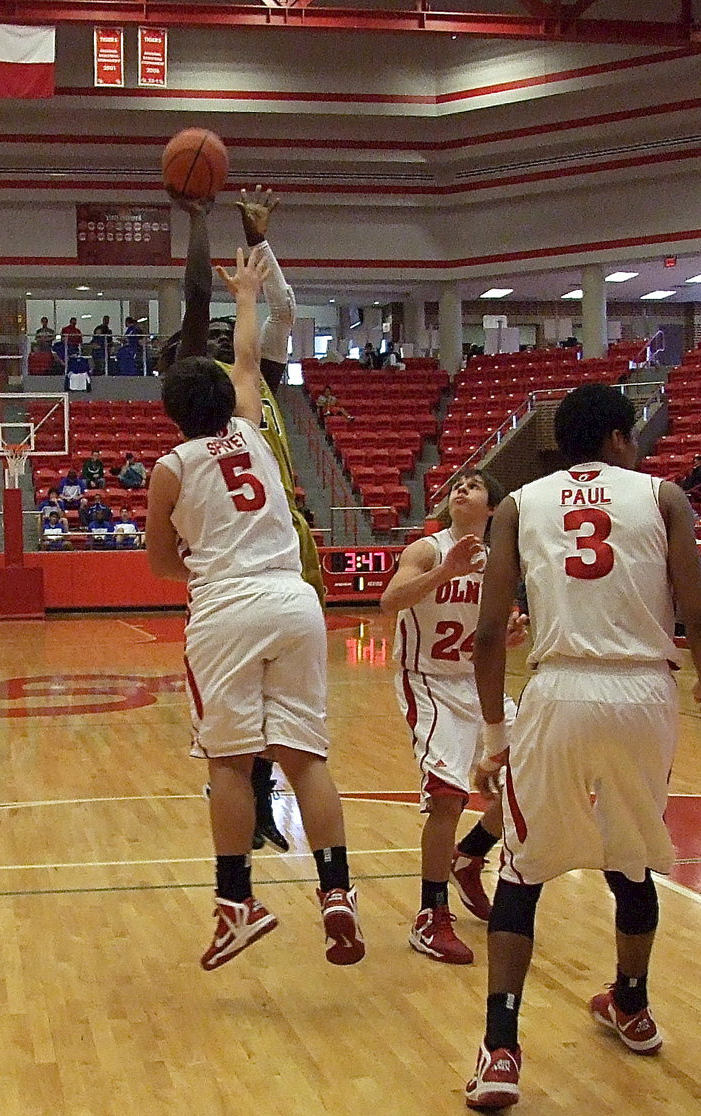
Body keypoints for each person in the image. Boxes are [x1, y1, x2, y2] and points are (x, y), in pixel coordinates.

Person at [464, 383, 701, 1110]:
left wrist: (493, 736)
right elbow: (698, 612)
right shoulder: (663, 495)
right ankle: (632, 1004)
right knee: (632, 853)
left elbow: (488, 634)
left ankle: (501, 1048)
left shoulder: (518, 503)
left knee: (522, 868)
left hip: (560, 691)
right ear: (616, 438)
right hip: (644, 692)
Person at [147, 246, 364, 970]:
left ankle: (236, 905)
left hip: (228, 604)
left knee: (230, 764)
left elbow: (157, 561)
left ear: (173, 413)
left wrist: (197, 568)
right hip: (295, 599)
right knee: (305, 758)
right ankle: (336, 891)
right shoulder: (252, 427)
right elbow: (245, 358)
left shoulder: (170, 468)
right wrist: (246, 292)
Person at [161, 186, 323, 855]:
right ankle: (241, 799)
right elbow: (201, 301)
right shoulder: (212, 393)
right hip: (239, 556)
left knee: (281, 699)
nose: (227, 341)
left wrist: (258, 244)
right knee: (246, 704)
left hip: (284, 544)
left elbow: (279, 310)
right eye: (215, 341)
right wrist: (200, 223)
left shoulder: (258, 384)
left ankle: (256, 803)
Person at [379, 469, 525, 965]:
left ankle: (471, 854)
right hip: (428, 680)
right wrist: (446, 571)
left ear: (491, 508)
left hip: (476, 681)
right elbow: (389, 601)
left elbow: (486, 635)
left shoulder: (500, 562)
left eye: (476, 485)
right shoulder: (428, 549)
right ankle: (430, 914)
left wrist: (508, 637)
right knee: (447, 797)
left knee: (533, 777)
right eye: (457, 484)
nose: (461, 489)